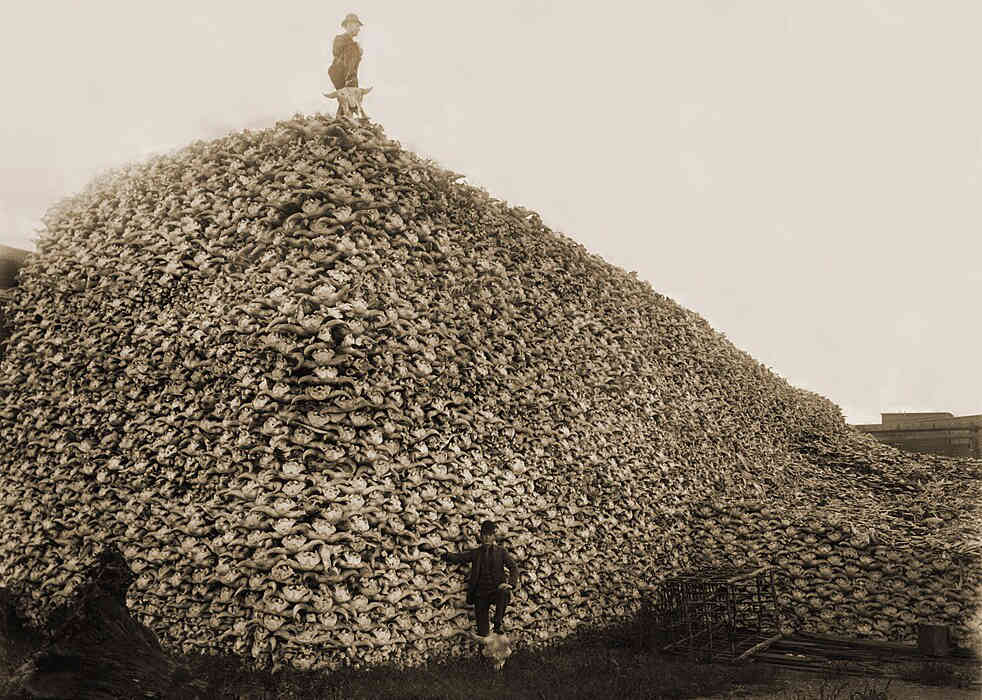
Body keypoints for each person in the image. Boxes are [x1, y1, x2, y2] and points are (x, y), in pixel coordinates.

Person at [441, 520, 520, 637]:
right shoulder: (476, 553)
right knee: (483, 632)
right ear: (481, 536)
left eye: (489, 535)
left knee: (504, 592)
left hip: (496, 591)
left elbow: (514, 568)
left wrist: (511, 584)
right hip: (480, 594)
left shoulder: (501, 552)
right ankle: (485, 652)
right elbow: (459, 558)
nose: (487, 538)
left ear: (494, 536)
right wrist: (444, 554)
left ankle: (498, 622)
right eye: (484, 535)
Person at [329, 13, 364, 91]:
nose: (359, 29)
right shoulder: (339, 38)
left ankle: (352, 85)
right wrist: (356, 48)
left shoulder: (352, 45)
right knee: (353, 48)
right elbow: (336, 52)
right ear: (349, 25)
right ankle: (350, 82)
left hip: (348, 79)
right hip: (340, 76)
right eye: (357, 26)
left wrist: (358, 53)